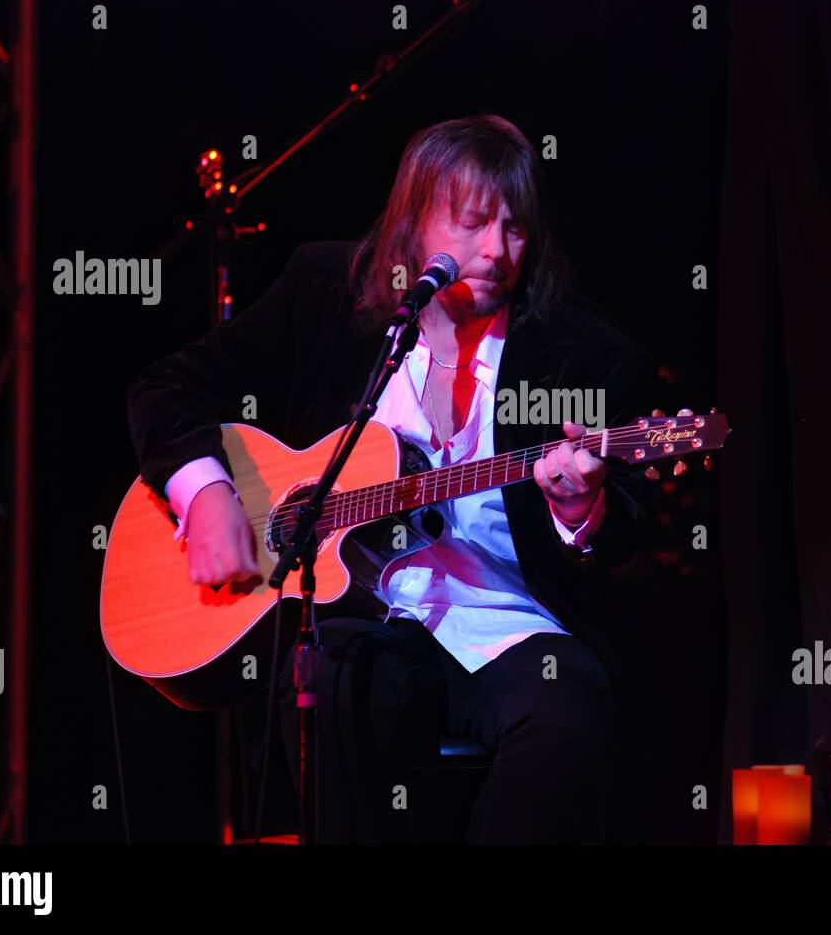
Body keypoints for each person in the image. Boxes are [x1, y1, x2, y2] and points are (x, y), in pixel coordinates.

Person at [127, 114, 658, 843]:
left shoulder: (582, 354)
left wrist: (583, 505)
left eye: (515, 228)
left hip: (505, 625)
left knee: (566, 707)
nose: (496, 251)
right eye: (471, 224)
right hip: (367, 622)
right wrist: (209, 493)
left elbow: (628, 525)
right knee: (329, 676)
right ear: (414, 221)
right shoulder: (326, 292)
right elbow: (167, 386)